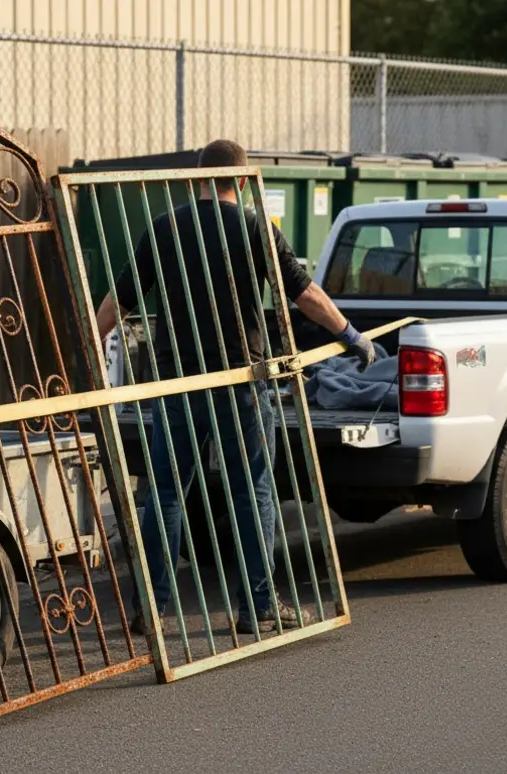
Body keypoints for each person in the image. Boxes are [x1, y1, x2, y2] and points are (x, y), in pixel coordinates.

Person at [94, 139, 374, 634]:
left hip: (178, 381)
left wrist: (90, 348)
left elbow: (120, 299)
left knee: (166, 492)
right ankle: (256, 607)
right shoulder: (254, 227)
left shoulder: (165, 227)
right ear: (242, 180)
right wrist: (350, 334)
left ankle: (151, 610)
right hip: (240, 379)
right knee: (252, 490)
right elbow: (305, 293)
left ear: (197, 178)